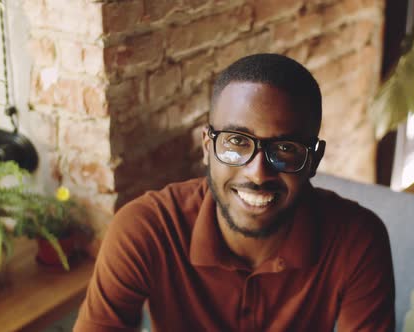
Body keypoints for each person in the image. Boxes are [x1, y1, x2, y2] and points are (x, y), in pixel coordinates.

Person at [74, 53, 395, 331]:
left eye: (285, 147)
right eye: (237, 142)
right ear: (206, 147)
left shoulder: (358, 239)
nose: (258, 173)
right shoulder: (146, 229)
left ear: (313, 160)